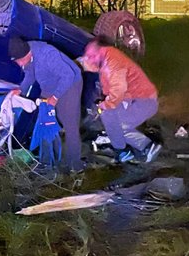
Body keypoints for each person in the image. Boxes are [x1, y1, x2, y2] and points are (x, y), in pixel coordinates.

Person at [9, 36, 84, 173]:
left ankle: (74, 165)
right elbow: (30, 75)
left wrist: (55, 96)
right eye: (17, 62)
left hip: (71, 82)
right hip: (49, 83)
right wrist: (21, 90)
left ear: (28, 54)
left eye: (20, 61)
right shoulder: (26, 56)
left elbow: (68, 75)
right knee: (45, 121)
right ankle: (46, 162)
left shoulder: (47, 54)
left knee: (69, 122)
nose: (19, 64)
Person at [82, 35, 161, 163]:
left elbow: (118, 91)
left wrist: (105, 105)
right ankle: (122, 152)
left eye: (91, 56)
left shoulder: (113, 62)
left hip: (144, 101)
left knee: (119, 125)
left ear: (100, 51)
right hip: (130, 100)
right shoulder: (105, 59)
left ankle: (148, 146)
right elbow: (108, 89)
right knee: (108, 117)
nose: (89, 60)